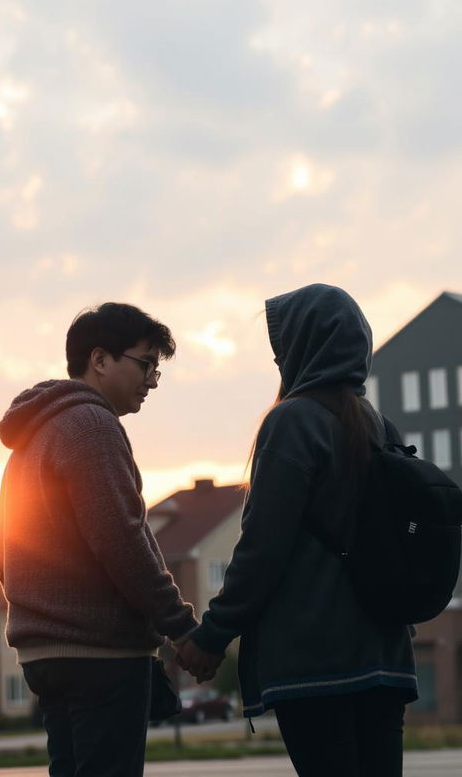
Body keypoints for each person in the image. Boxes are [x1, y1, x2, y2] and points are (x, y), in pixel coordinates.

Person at [177, 284, 417, 777]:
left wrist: (212, 635)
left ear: (305, 346)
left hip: (317, 664)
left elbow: (263, 548)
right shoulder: (381, 427)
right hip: (386, 657)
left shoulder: (294, 422)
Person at [0, 302, 197, 777]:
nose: (151, 380)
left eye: (157, 371)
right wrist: (182, 628)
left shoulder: (34, 433)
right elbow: (124, 540)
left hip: (46, 654)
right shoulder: (91, 425)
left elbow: (7, 555)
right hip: (99, 655)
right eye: (145, 364)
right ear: (100, 359)